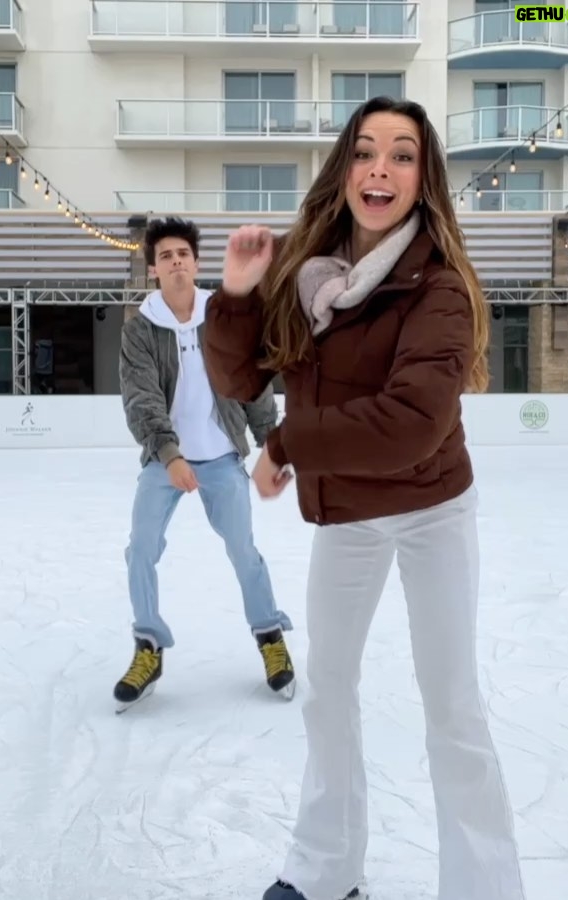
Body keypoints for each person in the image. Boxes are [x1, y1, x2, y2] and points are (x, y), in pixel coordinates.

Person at [202, 97, 527, 900]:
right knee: (330, 690)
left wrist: (287, 446)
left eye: (403, 153)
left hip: (431, 510)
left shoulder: (439, 291)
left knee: (451, 703)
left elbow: (412, 425)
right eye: (366, 151)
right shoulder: (310, 273)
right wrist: (238, 297)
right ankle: (324, 871)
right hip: (348, 515)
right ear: (345, 170)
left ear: (423, 180)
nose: (381, 167)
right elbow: (243, 380)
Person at [114, 216, 295, 711]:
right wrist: (169, 455)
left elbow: (251, 381)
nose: (176, 263)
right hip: (163, 460)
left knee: (244, 551)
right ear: (153, 269)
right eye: (166, 256)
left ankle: (269, 636)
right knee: (141, 550)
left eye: (184, 255)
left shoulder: (222, 315)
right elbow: (141, 399)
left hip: (220, 457)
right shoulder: (140, 330)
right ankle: (148, 645)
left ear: (196, 264)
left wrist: (269, 443)